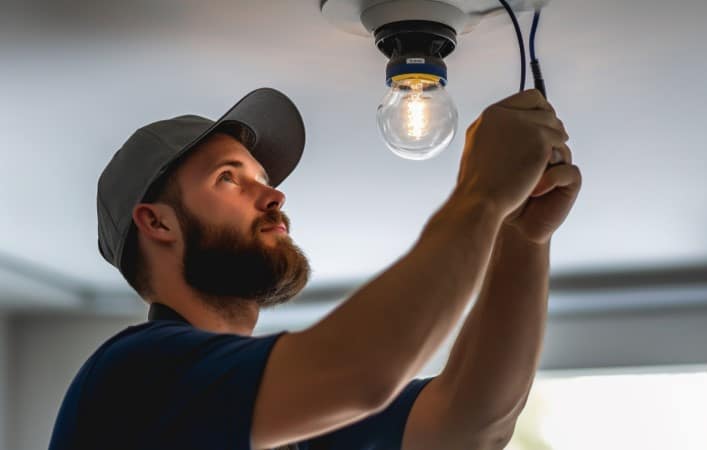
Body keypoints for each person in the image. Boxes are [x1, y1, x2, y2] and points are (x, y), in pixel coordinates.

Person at [48, 87, 580, 450]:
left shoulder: (281, 410)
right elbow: (362, 375)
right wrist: (482, 195)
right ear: (157, 222)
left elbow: (470, 422)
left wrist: (522, 237)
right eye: (229, 179)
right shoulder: (138, 375)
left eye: (263, 176)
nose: (274, 194)